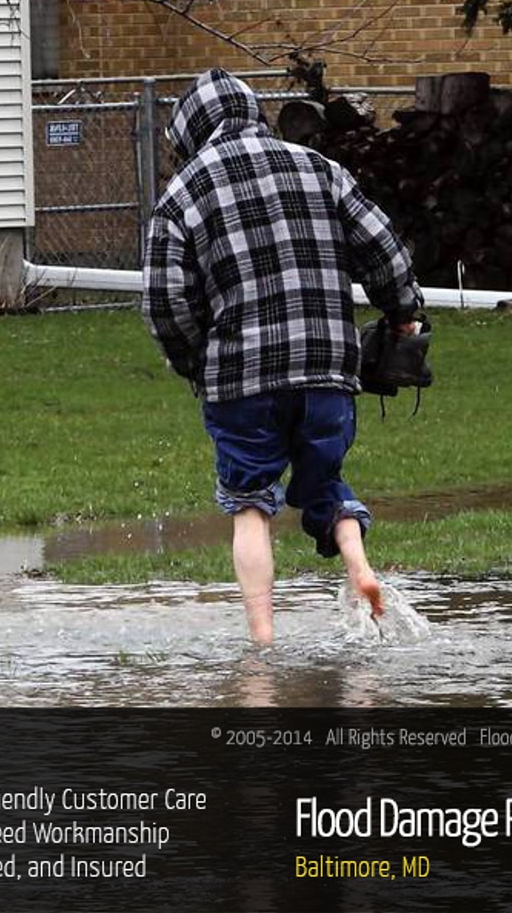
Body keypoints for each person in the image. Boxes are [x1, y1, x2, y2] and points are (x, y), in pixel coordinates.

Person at [141, 68, 423, 644]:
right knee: (327, 481)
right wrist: (402, 315)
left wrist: (196, 360)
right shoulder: (321, 170)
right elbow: (385, 250)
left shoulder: (182, 194)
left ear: (190, 132)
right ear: (252, 112)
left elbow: (165, 303)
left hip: (239, 379)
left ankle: (262, 640)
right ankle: (359, 565)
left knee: (250, 504)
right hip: (327, 370)